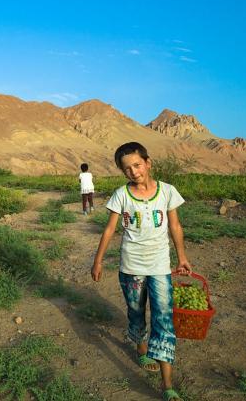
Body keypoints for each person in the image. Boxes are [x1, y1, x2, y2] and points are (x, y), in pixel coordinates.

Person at [90, 142, 192, 401]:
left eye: (137, 165)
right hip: (131, 267)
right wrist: (98, 261)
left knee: (164, 320)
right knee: (136, 315)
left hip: (159, 266)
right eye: (127, 169)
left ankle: (167, 385)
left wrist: (181, 256)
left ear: (148, 162)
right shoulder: (121, 195)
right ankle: (141, 348)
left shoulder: (167, 191)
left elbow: (175, 225)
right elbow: (110, 230)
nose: (134, 172)